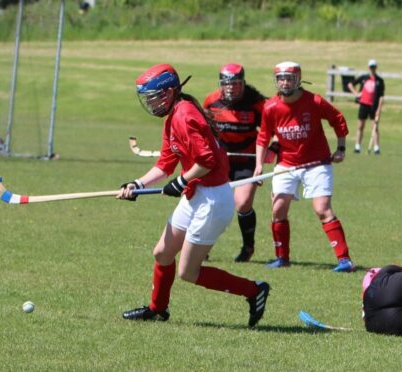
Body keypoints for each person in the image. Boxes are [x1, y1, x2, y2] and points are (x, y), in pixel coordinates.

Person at [118, 64, 269, 327]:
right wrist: (137, 184)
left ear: (170, 92)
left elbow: (207, 161)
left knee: (189, 272)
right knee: (163, 253)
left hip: (212, 200)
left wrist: (181, 180)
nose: (151, 103)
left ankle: (254, 290)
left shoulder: (185, 115)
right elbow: (164, 164)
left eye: (154, 97)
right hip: (194, 195)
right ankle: (158, 309)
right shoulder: (172, 118)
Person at [254, 61, 356, 273]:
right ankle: (282, 258)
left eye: (289, 78)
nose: (284, 82)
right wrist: (258, 166)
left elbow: (338, 119)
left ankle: (344, 260)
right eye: (280, 78)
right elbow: (263, 138)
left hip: (316, 164)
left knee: (322, 209)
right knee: (278, 209)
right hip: (287, 164)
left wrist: (341, 149)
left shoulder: (315, 101)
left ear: (298, 79)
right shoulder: (271, 107)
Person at [203, 63, 267, 263]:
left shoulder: (256, 104)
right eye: (227, 84)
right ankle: (202, 247)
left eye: (236, 84)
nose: (231, 88)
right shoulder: (211, 102)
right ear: (221, 84)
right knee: (211, 204)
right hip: (221, 161)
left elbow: (269, 130)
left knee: (242, 203)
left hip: (247, 161)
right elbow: (205, 131)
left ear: (243, 83)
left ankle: (248, 247)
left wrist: (271, 151)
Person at [347, 59, 385, 155]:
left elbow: (381, 97)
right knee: (360, 126)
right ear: (369, 67)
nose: (372, 69)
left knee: (374, 127)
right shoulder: (364, 78)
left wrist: (379, 110)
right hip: (364, 104)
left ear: (376, 67)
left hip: (374, 106)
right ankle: (357, 146)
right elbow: (350, 84)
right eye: (371, 67)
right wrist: (356, 94)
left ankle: (376, 148)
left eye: (374, 67)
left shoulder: (379, 81)